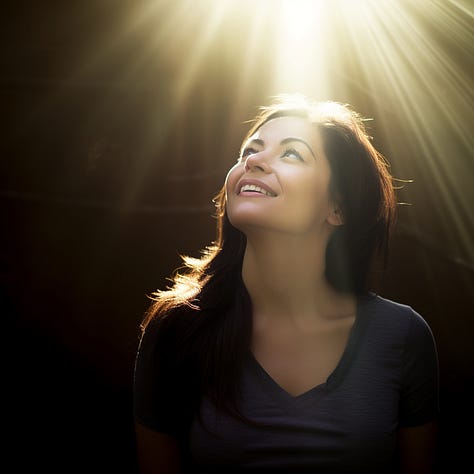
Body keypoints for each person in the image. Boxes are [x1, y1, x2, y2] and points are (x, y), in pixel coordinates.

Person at [133, 94, 440, 474]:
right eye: (250, 149)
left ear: (338, 208)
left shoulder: (402, 336)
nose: (253, 160)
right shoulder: (176, 329)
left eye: (291, 154)